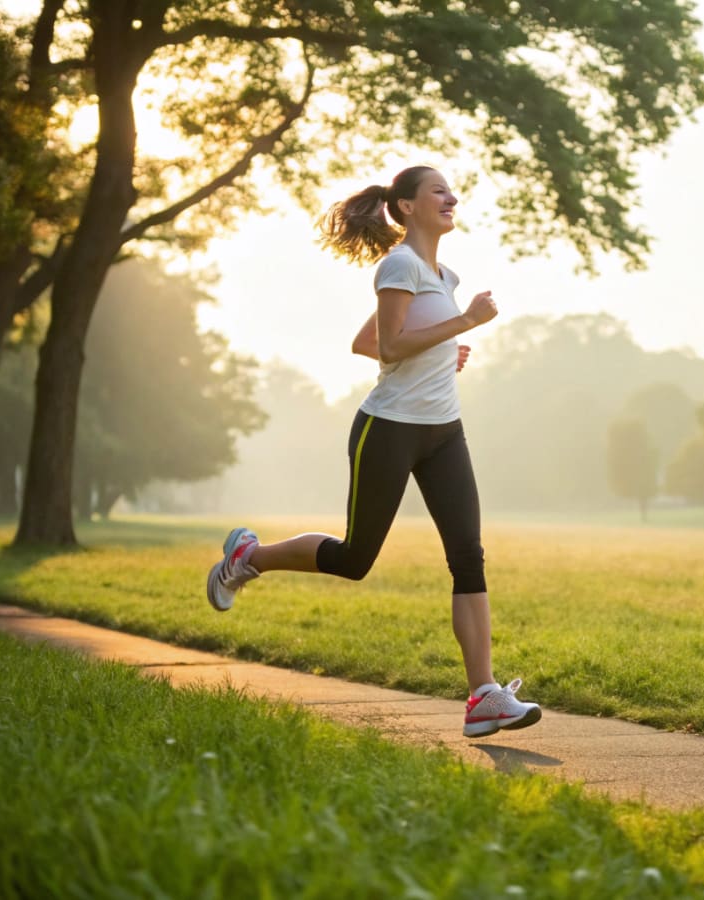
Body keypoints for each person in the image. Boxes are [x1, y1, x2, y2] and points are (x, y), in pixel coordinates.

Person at [205, 165, 540, 739]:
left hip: (444, 431)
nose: (451, 198)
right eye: (439, 191)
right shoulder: (399, 264)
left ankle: (482, 695)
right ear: (407, 206)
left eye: (450, 191)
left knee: (468, 555)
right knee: (356, 558)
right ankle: (248, 558)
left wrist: (443, 352)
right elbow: (386, 345)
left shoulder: (443, 272)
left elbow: (372, 344)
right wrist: (464, 324)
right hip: (388, 428)